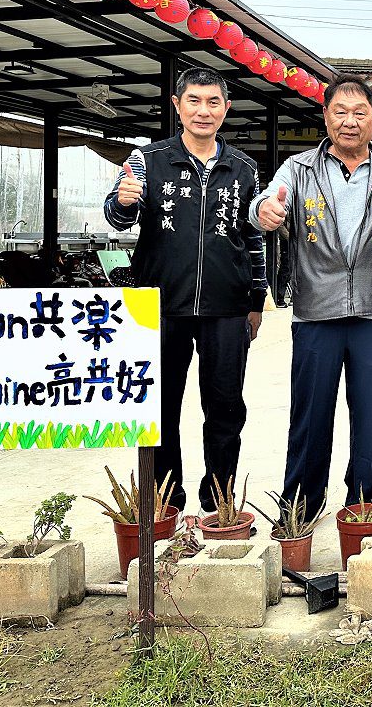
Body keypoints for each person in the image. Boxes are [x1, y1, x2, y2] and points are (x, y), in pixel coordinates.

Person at [249, 75, 372, 516]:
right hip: (315, 314)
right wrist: (264, 211)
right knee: (309, 418)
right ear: (325, 117)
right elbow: (266, 203)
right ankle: (300, 505)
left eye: (360, 113)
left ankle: (364, 503)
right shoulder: (298, 169)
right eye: (340, 112)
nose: (350, 122)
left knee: (370, 418)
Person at [104, 66, 266, 513]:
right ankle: (165, 499)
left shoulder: (244, 168)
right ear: (177, 105)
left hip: (227, 307)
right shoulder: (146, 160)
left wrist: (257, 299)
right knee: (160, 404)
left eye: (213, 102)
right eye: (193, 100)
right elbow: (118, 217)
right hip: (159, 304)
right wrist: (121, 200)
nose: (203, 110)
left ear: (226, 109)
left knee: (226, 406)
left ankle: (220, 497)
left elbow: (253, 239)